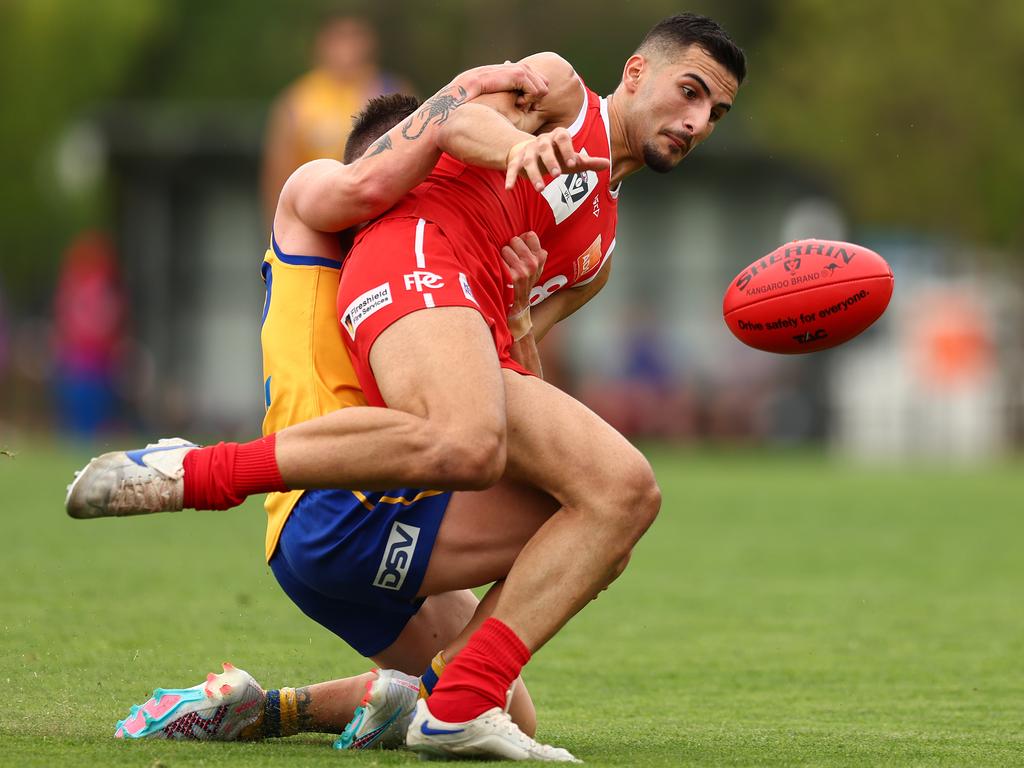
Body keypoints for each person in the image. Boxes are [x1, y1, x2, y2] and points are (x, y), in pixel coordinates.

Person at [68, 13, 746, 762]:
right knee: (476, 440)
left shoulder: (597, 254)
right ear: (635, 72)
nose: (696, 121)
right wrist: (522, 144)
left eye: (715, 113)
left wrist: (519, 315)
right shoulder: (559, 96)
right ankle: (196, 474)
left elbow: (521, 385)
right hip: (414, 281)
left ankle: (384, 704)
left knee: (610, 504)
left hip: (398, 480)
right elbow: (454, 126)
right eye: (689, 93)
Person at [261, 14, 414, 224]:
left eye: (354, 36)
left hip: (378, 215)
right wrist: (277, 229)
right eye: (339, 37)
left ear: (370, 43)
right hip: (319, 219)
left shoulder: (393, 92)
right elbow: (277, 176)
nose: (347, 47)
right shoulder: (298, 102)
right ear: (321, 44)